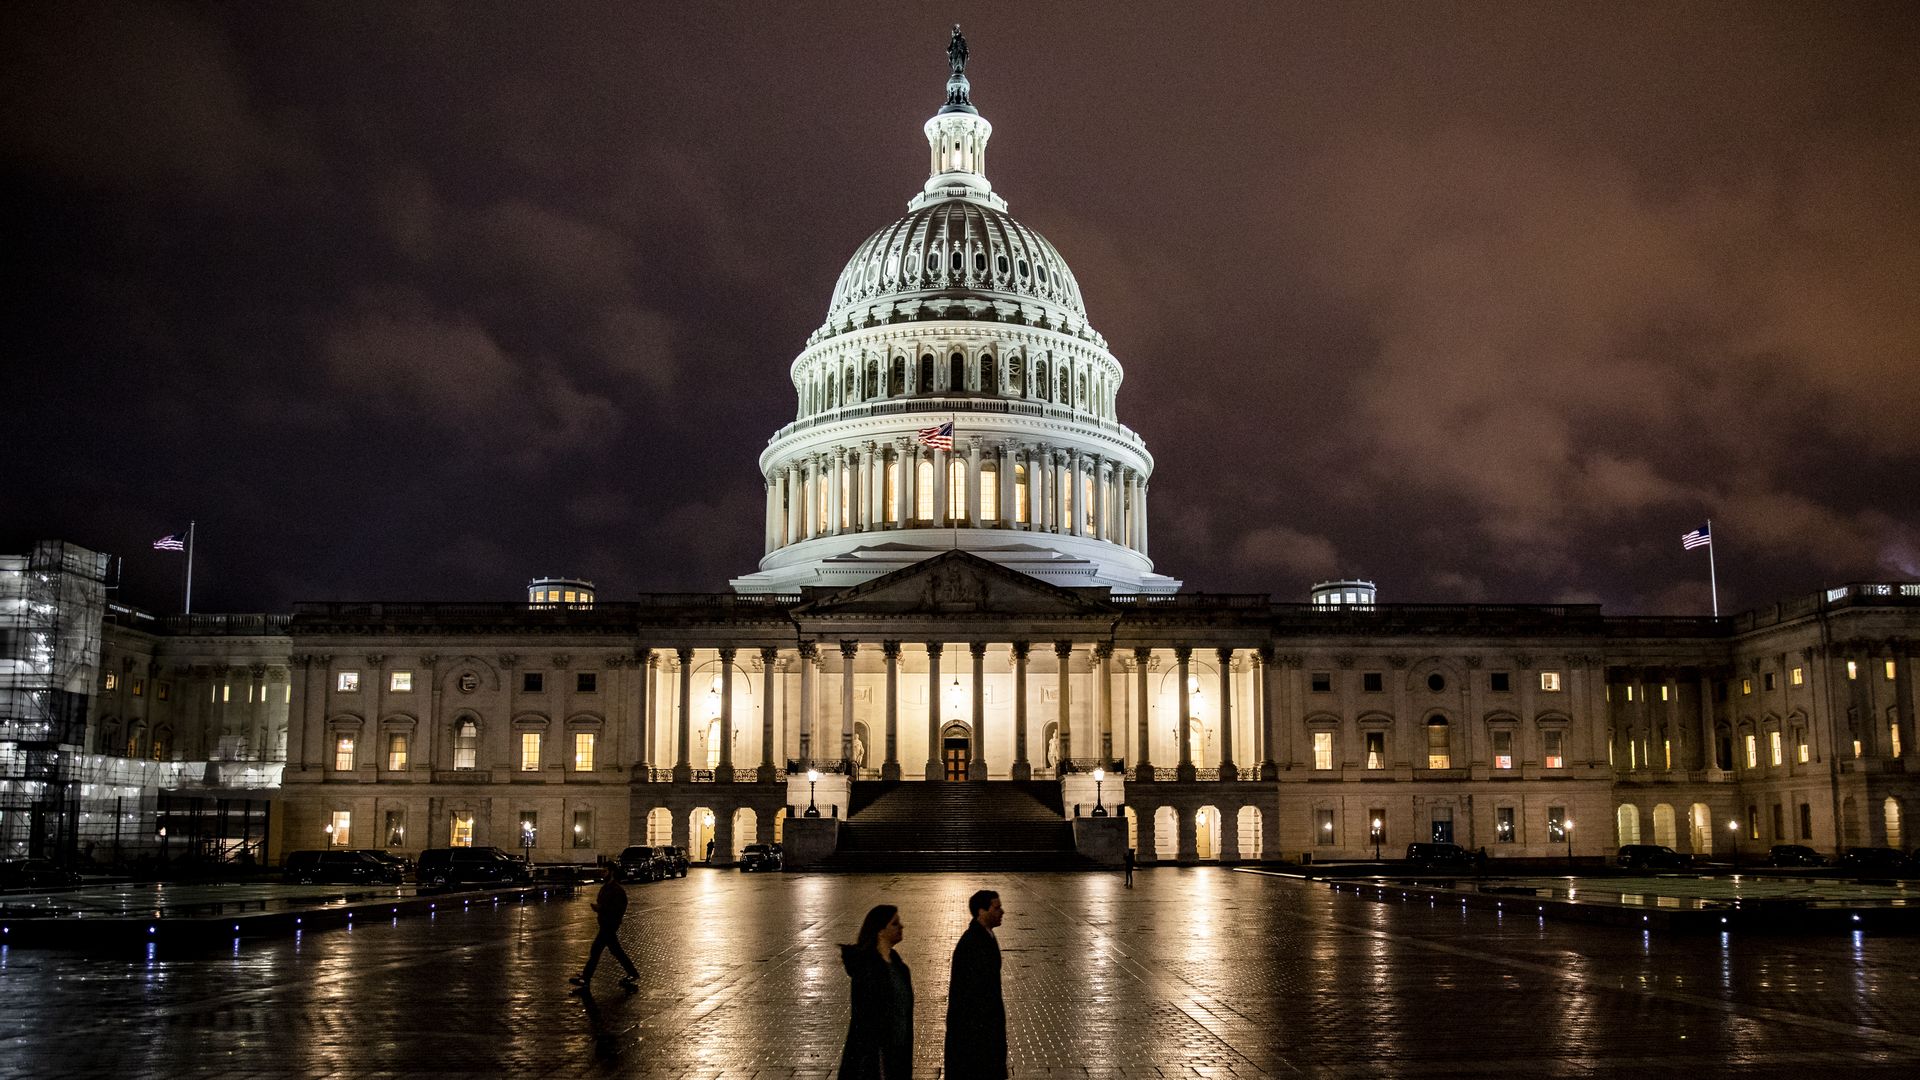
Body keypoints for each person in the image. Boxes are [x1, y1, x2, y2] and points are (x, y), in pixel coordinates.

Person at [839, 904, 913, 1078]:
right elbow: (866, 1021)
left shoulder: (899, 966)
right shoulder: (867, 969)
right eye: (894, 923)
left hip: (898, 1053)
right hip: (875, 1058)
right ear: (880, 931)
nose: (901, 926)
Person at [944, 890, 1007, 1078]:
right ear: (981, 911)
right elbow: (973, 996)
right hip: (976, 1037)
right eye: (996, 908)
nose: (1002, 911)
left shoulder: (986, 936)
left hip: (984, 1032)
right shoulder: (973, 943)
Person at [570, 865, 638, 992]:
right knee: (616, 951)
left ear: (611, 872)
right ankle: (632, 973)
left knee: (596, 950)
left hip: (609, 925)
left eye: (605, 871)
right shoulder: (606, 888)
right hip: (605, 924)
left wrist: (601, 909)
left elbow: (617, 909)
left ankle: (586, 979)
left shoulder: (616, 890)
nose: (602, 873)